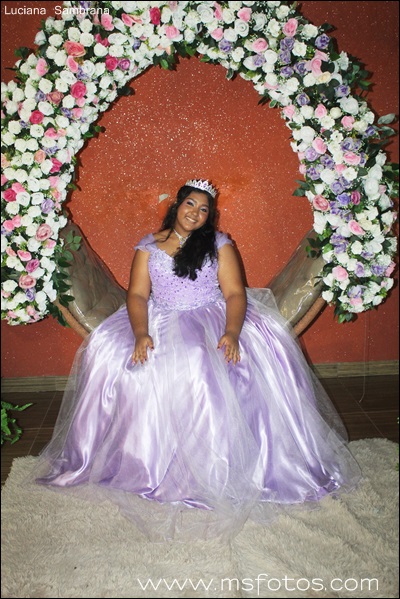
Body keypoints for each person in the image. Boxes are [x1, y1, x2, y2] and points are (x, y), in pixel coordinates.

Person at [34, 179, 361, 540]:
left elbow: (235, 294)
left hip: (212, 316)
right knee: (109, 352)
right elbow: (138, 295)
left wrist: (232, 332)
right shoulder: (148, 246)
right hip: (159, 317)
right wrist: (141, 333)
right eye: (190, 204)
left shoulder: (219, 245)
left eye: (204, 209)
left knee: (203, 363)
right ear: (177, 205)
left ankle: (216, 469)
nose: (196, 213)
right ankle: (140, 461)